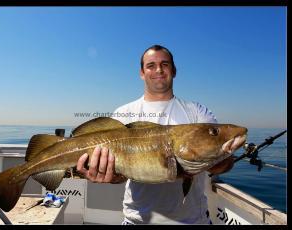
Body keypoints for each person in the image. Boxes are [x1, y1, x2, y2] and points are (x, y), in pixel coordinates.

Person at [76, 44, 234, 224]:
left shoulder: (197, 112)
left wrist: (209, 160)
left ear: (174, 71)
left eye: (165, 64)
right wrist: (107, 174)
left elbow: (227, 163)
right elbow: (120, 176)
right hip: (137, 221)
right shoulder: (123, 114)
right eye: (150, 65)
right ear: (142, 73)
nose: (158, 70)